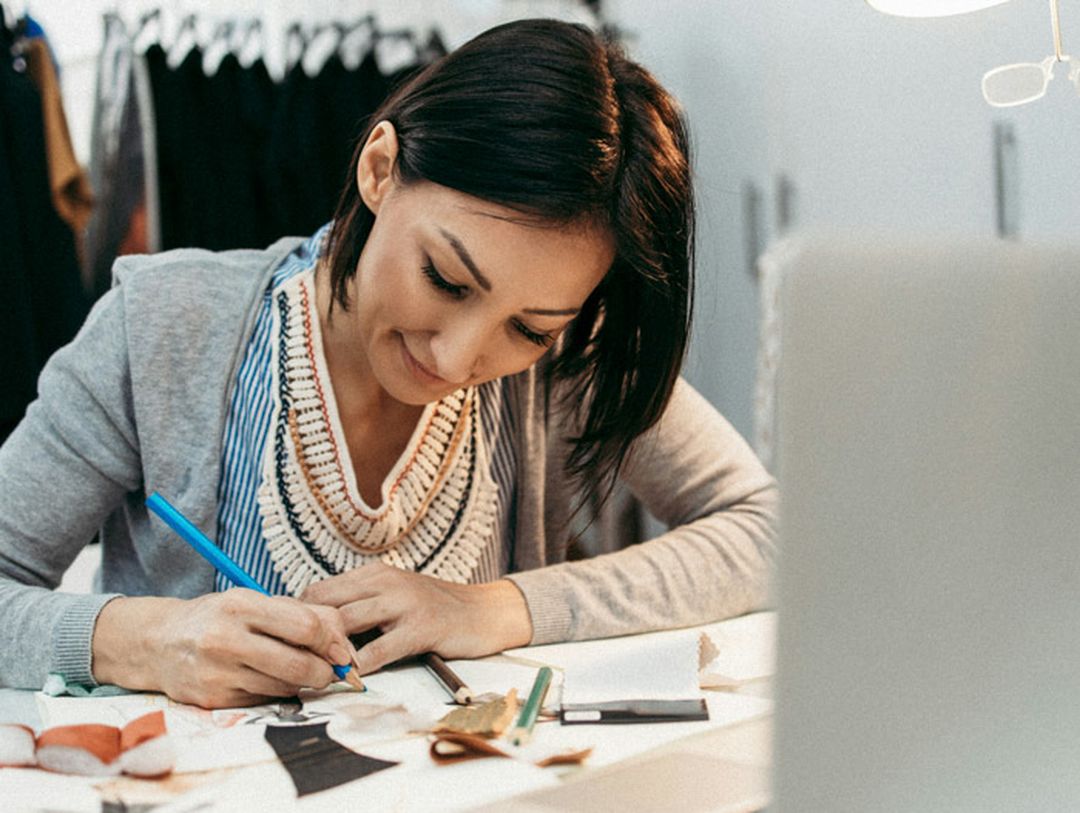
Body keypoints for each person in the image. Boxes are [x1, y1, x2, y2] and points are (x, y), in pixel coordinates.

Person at [0, 18, 776, 708]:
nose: (459, 355)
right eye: (446, 278)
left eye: (529, 328)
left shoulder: (565, 359)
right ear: (379, 168)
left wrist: (500, 607)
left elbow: (767, 531)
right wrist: (141, 638)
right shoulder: (163, 327)